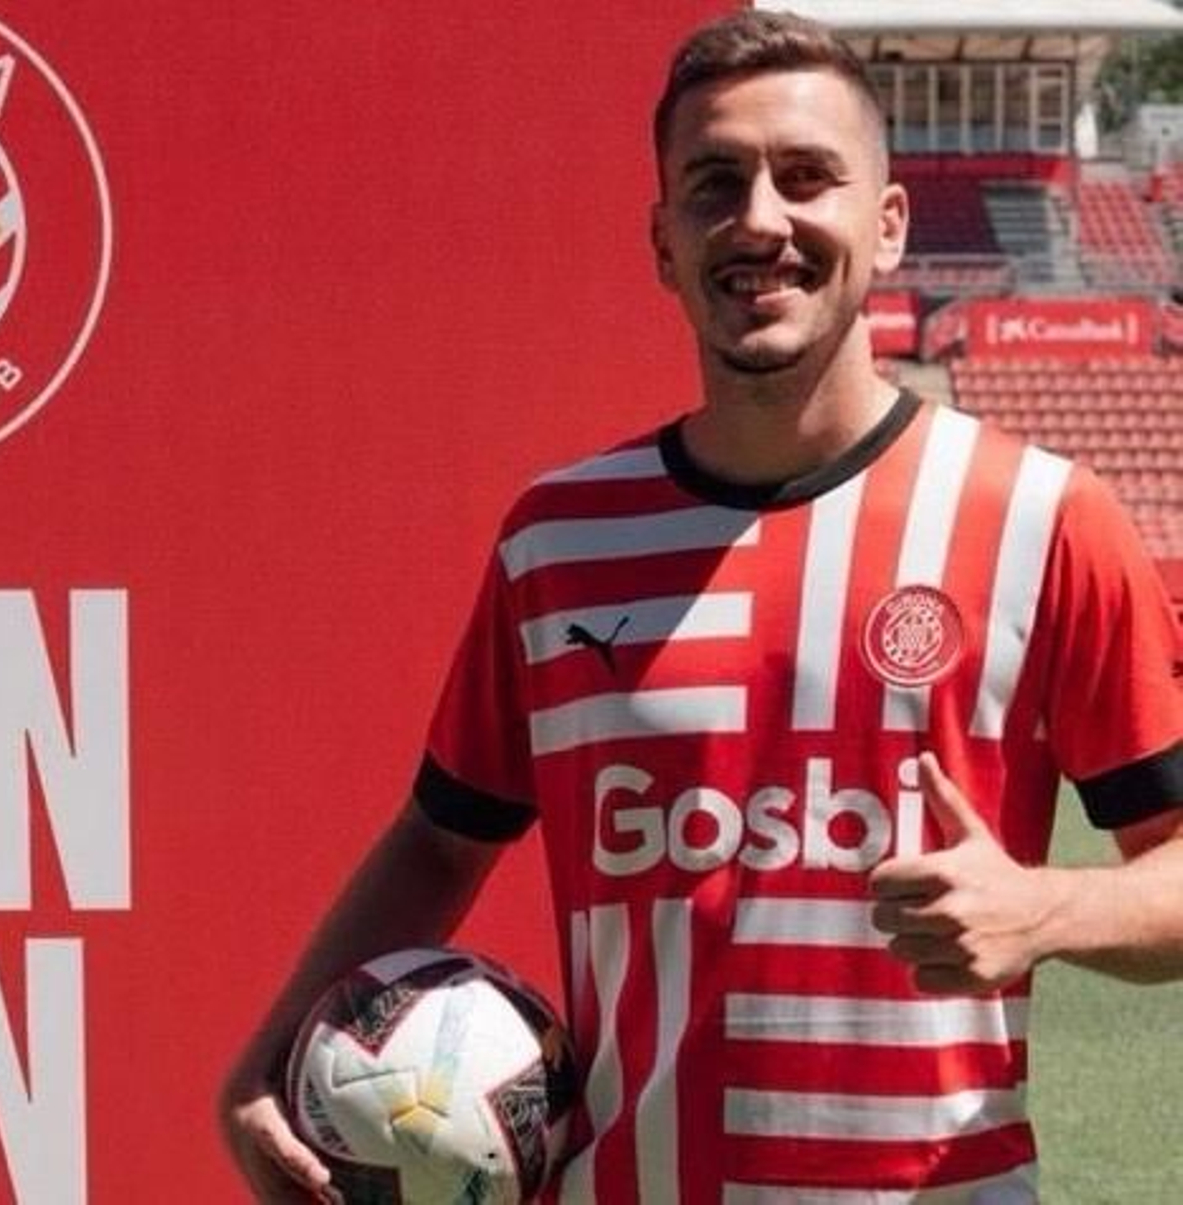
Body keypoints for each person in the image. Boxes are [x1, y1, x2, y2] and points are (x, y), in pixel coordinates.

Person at [219, 10, 1183, 1202]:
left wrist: (1046, 906)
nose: (761, 221)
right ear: (663, 241)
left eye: (807, 177)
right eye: (714, 184)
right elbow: (438, 834)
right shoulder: (559, 540)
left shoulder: (1043, 520)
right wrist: (268, 1055)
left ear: (887, 225)